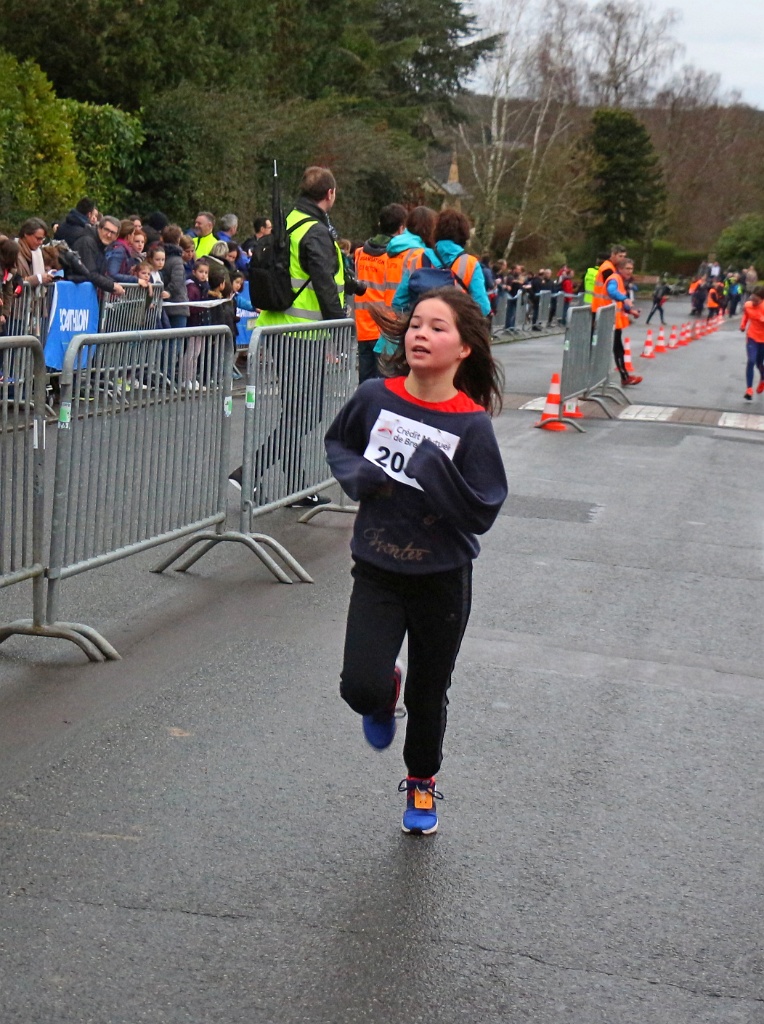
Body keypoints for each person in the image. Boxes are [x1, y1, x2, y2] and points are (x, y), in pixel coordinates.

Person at [324, 287, 508, 835]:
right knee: (359, 687)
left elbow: (483, 509)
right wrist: (358, 475)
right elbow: (340, 444)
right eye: (416, 325)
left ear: (464, 348)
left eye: (437, 327)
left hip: (442, 578)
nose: (421, 334)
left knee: (431, 690)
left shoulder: (471, 424)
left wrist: (436, 473)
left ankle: (422, 781)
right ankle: (385, 695)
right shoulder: (374, 396)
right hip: (377, 568)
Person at [230, 166, 345, 508]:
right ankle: (249, 472)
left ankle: (297, 486)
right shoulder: (315, 230)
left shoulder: (290, 221)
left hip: (279, 328)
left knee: (295, 412)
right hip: (303, 335)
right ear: (330, 194)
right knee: (307, 414)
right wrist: (340, 330)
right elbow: (324, 282)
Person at [392, 209, 491, 318]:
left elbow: (398, 302)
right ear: (464, 235)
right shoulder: (470, 264)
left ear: (436, 231)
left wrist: (414, 320)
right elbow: (483, 308)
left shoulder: (418, 259)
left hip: (423, 325)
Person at [354, 203, 407, 382]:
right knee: (384, 385)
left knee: (365, 385)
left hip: (362, 327)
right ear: (401, 228)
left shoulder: (360, 253)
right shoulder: (395, 258)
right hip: (384, 330)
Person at [592, 247, 641, 387]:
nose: (630, 271)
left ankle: (622, 377)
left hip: (609, 316)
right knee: (612, 348)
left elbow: (615, 297)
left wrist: (630, 310)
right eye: (627, 268)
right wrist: (625, 299)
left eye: (631, 269)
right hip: (606, 317)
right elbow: (611, 291)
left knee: (615, 348)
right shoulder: (612, 274)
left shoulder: (616, 276)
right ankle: (600, 379)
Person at [73, 216, 127, 297]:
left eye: (113, 233)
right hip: (76, 293)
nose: (109, 235)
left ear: (116, 236)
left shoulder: (101, 246)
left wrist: (113, 284)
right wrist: (112, 286)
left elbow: (99, 273)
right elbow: (91, 273)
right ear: (99, 228)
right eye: (106, 230)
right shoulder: (87, 242)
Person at [160, 224, 190, 329]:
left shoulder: (160, 257)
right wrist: (168, 292)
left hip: (164, 306)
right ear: (178, 240)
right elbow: (177, 281)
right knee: (177, 337)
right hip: (177, 306)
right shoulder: (177, 260)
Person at [15, 218, 56, 286]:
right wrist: (38, 279)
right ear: (26, 234)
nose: (41, 242)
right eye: (38, 238)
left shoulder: (39, 253)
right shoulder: (12, 253)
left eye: (43, 239)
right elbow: (12, 283)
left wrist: (47, 275)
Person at [740, 285, 764, 401]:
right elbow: (746, 315)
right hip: (752, 337)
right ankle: (749, 389)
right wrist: (743, 325)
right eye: (752, 298)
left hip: (763, 340)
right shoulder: (748, 305)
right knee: (751, 361)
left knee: (759, 363)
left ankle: (763, 379)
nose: (753, 302)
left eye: (756, 300)